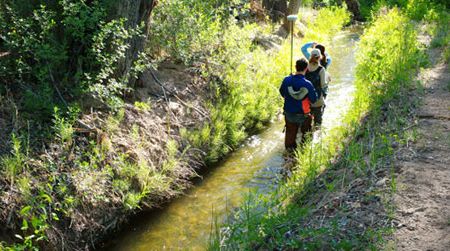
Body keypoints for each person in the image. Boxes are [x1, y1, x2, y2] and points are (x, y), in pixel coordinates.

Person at [279, 58, 318, 151]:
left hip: (289, 113)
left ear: (295, 67)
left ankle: (289, 155)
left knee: (290, 135)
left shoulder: (286, 79)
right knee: (306, 136)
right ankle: (303, 153)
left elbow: (281, 92)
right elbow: (314, 100)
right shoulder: (308, 84)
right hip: (304, 115)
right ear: (306, 68)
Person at [306, 48, 327, 127]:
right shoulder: (321, 69)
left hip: (306, 99)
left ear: (310, 56)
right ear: (319, 57)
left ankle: (307, 136)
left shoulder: (305, 67)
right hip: (318, 99)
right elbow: (323, 85)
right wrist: (327, 82)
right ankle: (317, 137)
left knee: (307, 122)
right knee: (318, 123)